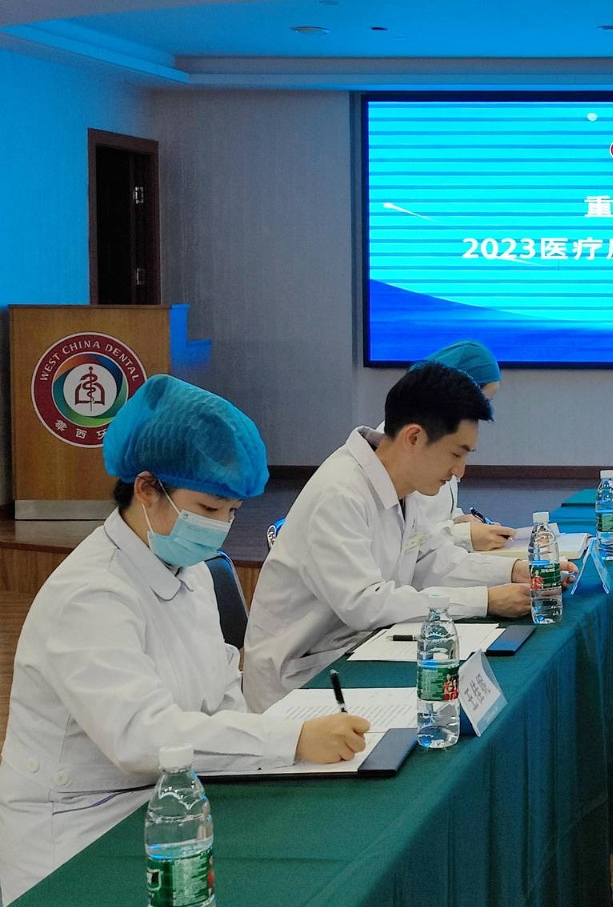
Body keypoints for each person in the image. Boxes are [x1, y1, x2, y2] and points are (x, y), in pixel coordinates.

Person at [0, 376, 368, 902]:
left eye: (232, 512)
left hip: (169, 802)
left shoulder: (188, 568)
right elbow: (142, 737)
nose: (221, 527)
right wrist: (289, 740)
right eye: (209, 509)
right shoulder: (91, 594)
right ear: (147, 489)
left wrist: (265, 751)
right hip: (79, 826)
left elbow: (221, 694)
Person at [242, 363, 541, 712]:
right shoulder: (340, 493)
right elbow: (366, 604)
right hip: (301, 683)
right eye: (456, 453)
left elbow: (434, 560)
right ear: (413, 438)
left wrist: (513, 571)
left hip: (357, 652)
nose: (459, 470)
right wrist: (485, 600)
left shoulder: (400, 483)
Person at [405, 340, 514, 552]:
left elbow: (434, 517)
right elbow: (408, 541)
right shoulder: (412, 448)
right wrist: (464, 536)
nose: (459, 471)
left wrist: (460, 521)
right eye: (485, 401)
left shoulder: (440, 443)